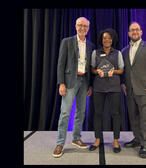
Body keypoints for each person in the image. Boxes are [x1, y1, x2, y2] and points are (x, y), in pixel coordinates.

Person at [53, 17, 95, 158]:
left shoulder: (90, 45)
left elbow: (90, 66)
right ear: (75, 26)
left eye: (85, 26)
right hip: (70, 80)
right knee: (65, 113)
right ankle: (60, 143)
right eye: (80, 25)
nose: (82, 28)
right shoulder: (67, 42)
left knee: (81, 112)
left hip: (84, 81)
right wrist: (61, 83)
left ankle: (76, 138)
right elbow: (60, 64)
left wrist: (90, 85)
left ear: (88, 29)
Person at [121, 22, 146, 158]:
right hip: (130, 90)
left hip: (145, 89)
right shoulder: (124, 50)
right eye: (132, 30)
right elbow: (125, 70)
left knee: (145, 118)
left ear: (141, 32)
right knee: (134, 117)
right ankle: (137, 139)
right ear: (128, 33)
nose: (135, 32)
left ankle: (145, 145)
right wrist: (123, 84)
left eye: (137, 30)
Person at [89, 28, 124, 153]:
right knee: (98, 114)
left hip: (114, 87)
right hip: (99, 87)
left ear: (112, 39)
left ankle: (116, 141)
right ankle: (97, 139)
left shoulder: (118, 53)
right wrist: (96, 71)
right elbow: (92, 69)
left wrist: (113, 71)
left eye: (109, 38)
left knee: (115, 114)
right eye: (104, 38)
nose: (107, 40)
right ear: (101, 40)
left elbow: (121, 70)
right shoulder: (95, 53)